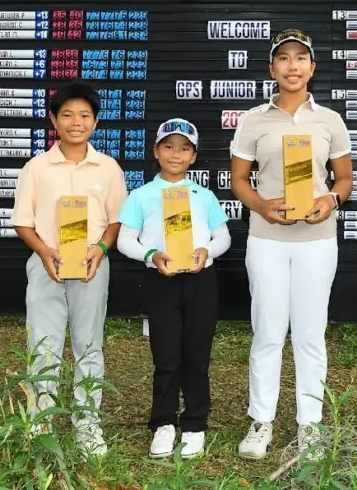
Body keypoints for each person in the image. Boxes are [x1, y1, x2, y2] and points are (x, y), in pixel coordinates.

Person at [229, 28, 353, 460]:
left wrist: (330, 200)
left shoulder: (329, 120)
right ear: (272, 68)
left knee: (310, 332)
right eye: (284, 58)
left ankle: (310, 424)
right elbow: (239, 180)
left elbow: (345, 178)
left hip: (317, 240)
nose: (292, 65)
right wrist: (262, 206)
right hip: (267, 239)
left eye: (301, 58)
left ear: (312, 68)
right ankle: (261, 420)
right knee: (267, 330)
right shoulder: (253, 120)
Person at [10, 81, 129, 457]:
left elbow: (116, 220)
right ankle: (39, 421)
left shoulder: (108, 168)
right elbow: (23, 222)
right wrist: (44, 251)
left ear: (95, 122)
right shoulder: (36, 168)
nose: (76, 123)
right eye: (67, 115)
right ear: (53, 120)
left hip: (91, 267)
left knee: (88, 345)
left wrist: (101, 249)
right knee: (42, 346)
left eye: (84, 115)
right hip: (46, 265)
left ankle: (87, 423)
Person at [116, 118, 231, 460]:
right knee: (166, 356)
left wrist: (207, 252)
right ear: (156, 152)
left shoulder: (204, 196)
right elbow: (124, 239)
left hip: (200, 280)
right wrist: (151, 255)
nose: (175, 154)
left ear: (194, 156)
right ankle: (164, 422)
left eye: (184, 149)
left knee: (197, 355)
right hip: (161, 280)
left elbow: (223, 236)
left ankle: (195, 423)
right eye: (168, 147)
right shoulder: (141, 195)